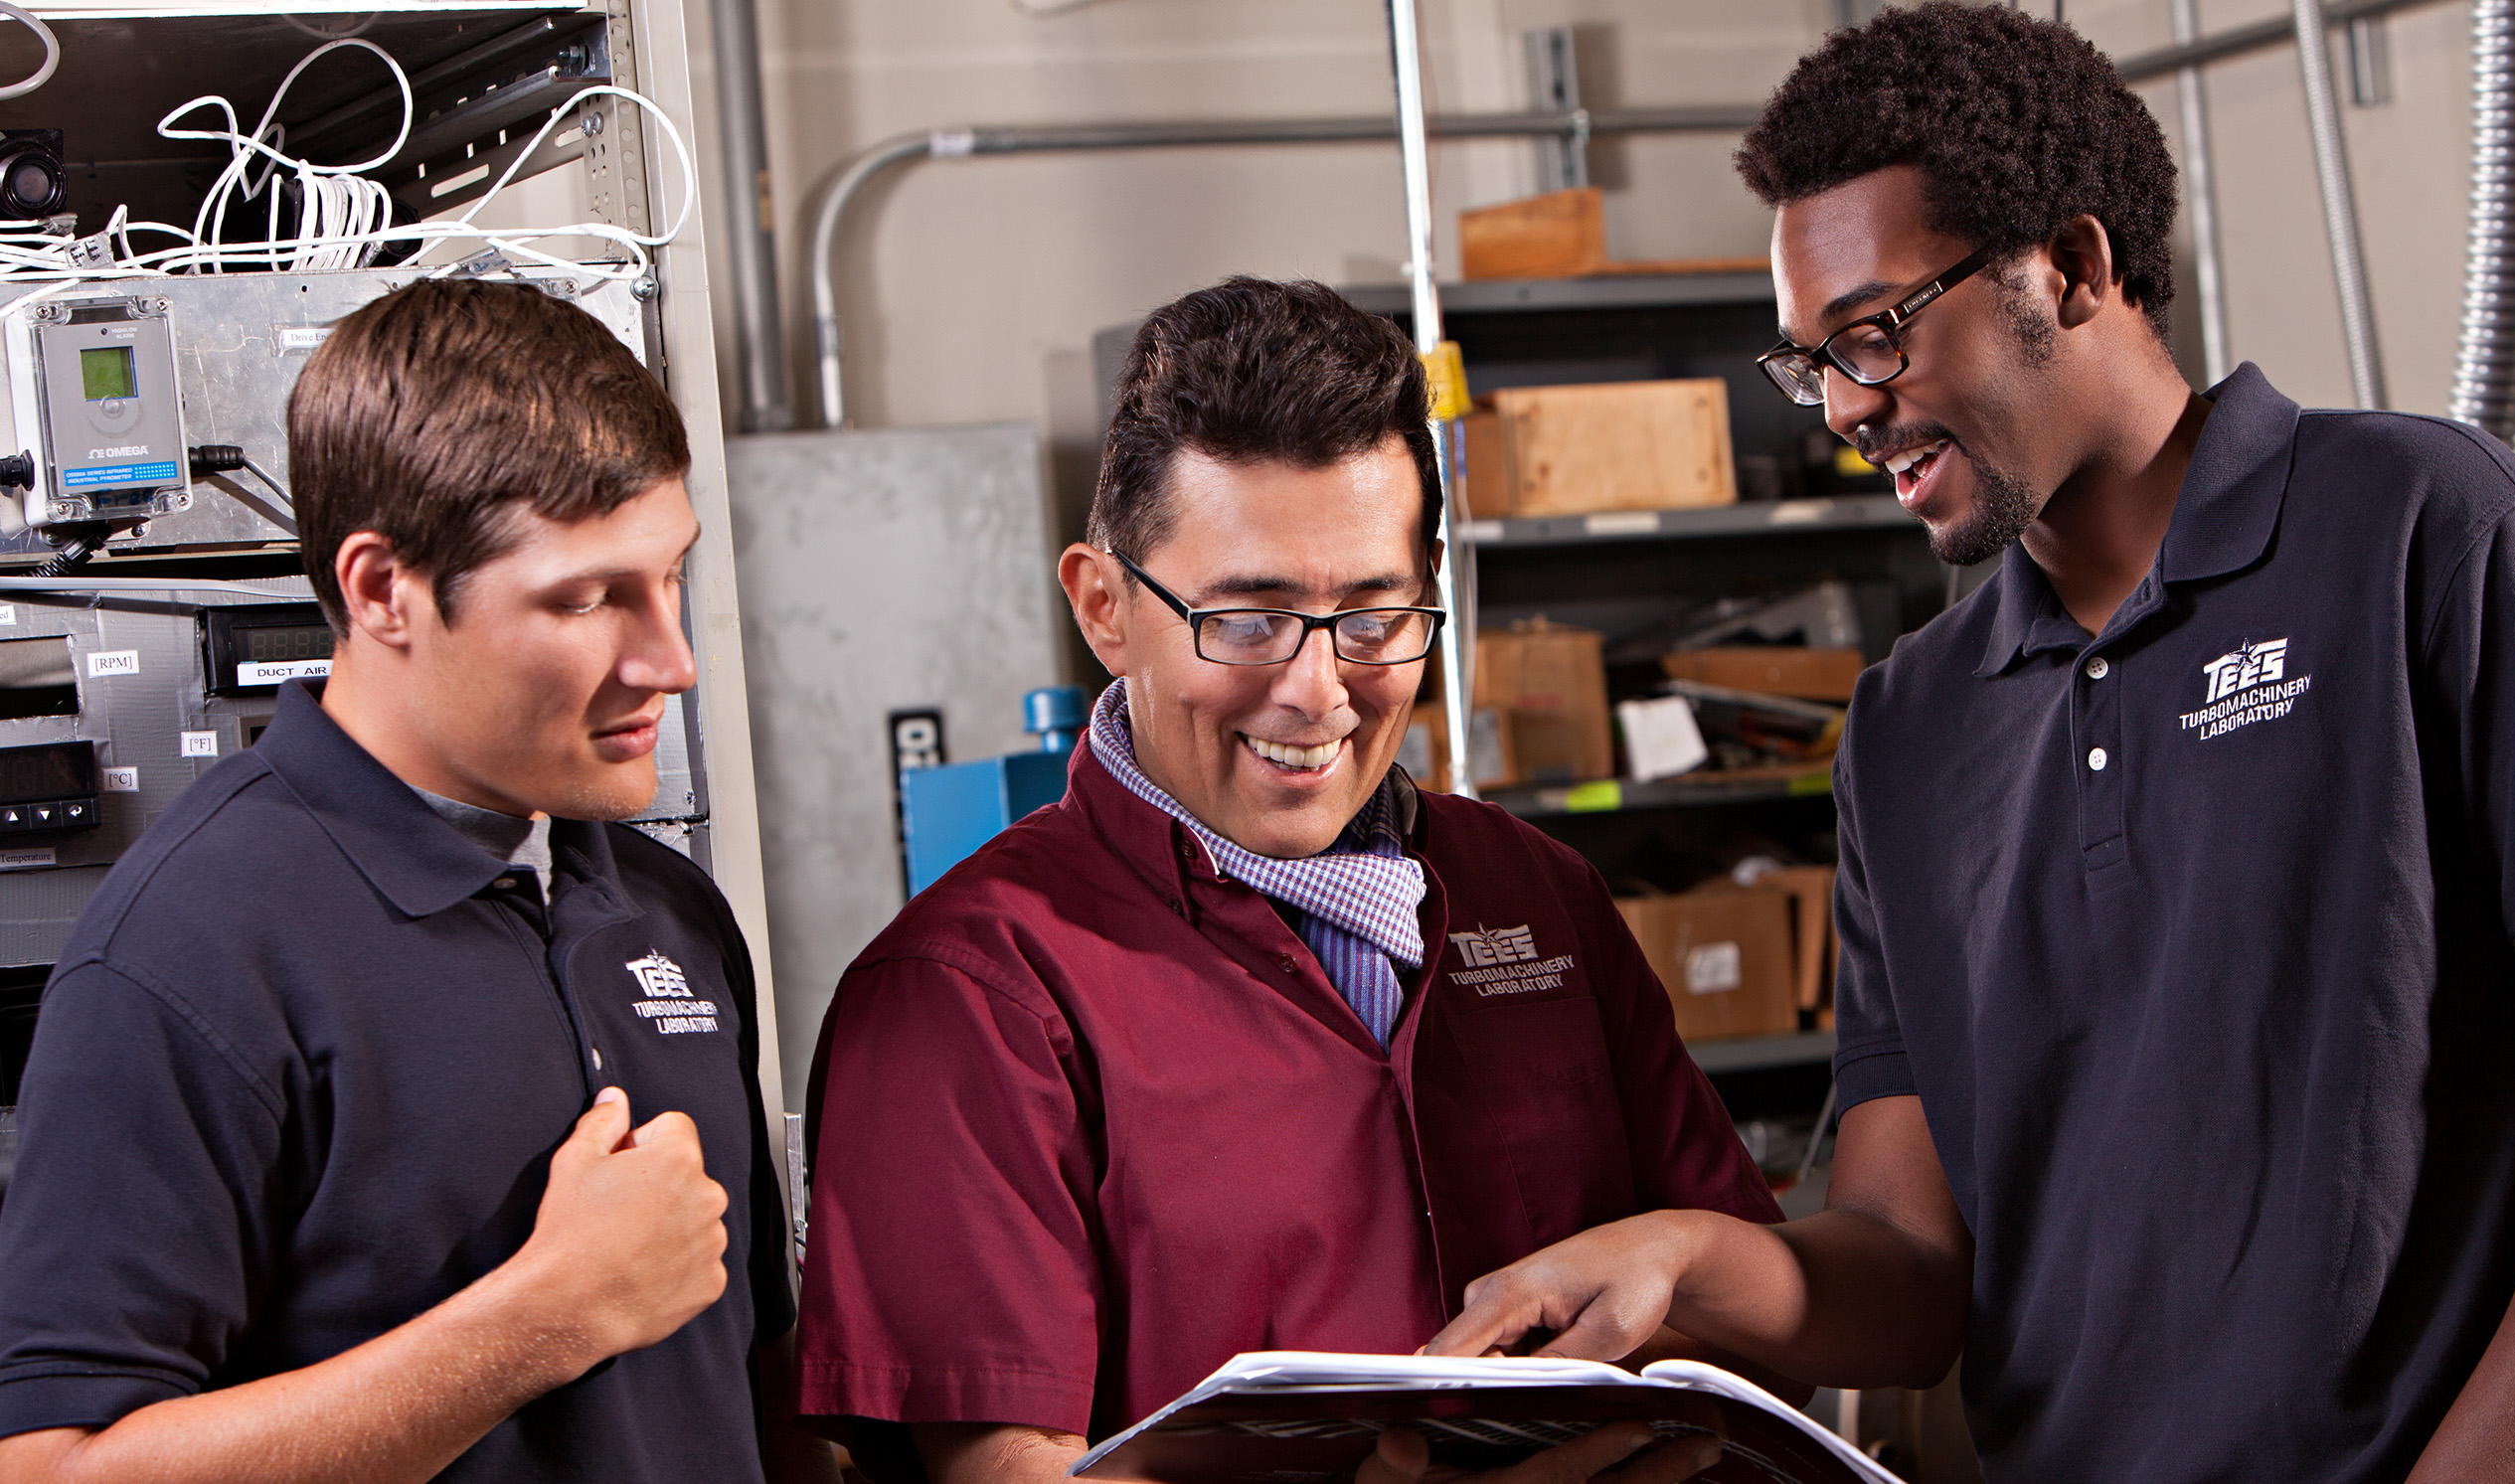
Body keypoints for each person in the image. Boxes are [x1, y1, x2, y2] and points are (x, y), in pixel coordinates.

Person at [1423, 7, 2515, 1483]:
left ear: (2069, 266)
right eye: (1810, 363)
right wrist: (1681, 1264)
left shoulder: (2423, 534)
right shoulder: (1908, 726)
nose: (1847, 408)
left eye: (1873, 329)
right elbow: (1900, 1260)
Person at [794, 276, 1781, 1484]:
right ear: (1105, 608)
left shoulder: (1535, 893)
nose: (1319, 689)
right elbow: (997, 1467)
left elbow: (1738, 1308)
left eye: (1373, 616)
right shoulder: (971, 992)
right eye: (1250, 620)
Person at [0, 278, 830, 1484]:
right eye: (589, 597)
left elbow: (757, 1375)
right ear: (385, 589)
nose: (673, 659)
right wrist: (538, 1322)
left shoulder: (667, 906)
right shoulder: (187, 956)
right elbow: (54, 1467)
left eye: (672, 576)